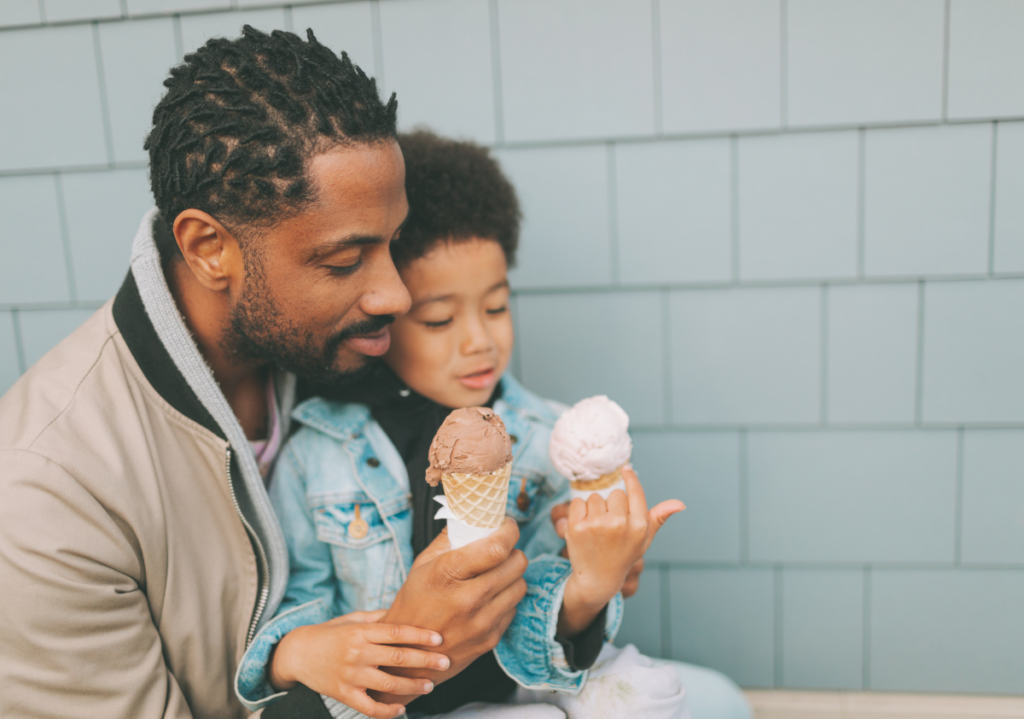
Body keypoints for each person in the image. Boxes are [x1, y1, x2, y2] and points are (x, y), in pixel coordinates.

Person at [0, 28, 528, 719]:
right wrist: (403, 647)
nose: (396, 295)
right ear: (209, 247)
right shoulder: (48, 496)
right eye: (345, 261)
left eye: (393, 244)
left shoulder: (338, 346)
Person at [232, 129, 687, 719]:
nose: (480, 341)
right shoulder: (319, 450)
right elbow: (302, 600)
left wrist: (591, 586)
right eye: (440, 319)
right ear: (384, 317)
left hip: (504, 688)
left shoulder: (541, 437)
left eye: (496, 307)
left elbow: (539, 632)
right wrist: (292, 651)